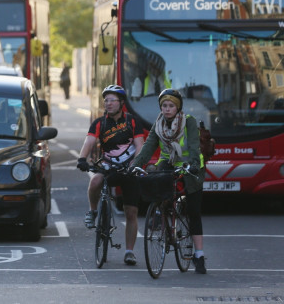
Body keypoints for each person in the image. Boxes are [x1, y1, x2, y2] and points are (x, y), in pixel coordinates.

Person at [129, 88, 207, 274]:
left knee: (194, 211)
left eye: (171, 105)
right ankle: (161, 214)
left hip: (191, 166)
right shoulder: (159, 123)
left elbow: (195, 147)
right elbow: (148, 147)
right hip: (169, 162)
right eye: (164, 105)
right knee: (155, 180)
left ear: (178, 107)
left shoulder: (188, 122)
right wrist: (136, 164)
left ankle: (199, 255)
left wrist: (194, 164)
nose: (167, 109)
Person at [76, 85, 145, 266]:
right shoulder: (99, 123)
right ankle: (93, 211)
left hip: (129, 168)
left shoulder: (132, 121)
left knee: (131, 212)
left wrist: (135, 164)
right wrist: (82, 158)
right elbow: (89, 141)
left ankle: (129, 252)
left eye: (112, 100)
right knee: (96, 180)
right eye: (105, 100)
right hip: (108, 166)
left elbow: (140, 145)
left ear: (121, 103)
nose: (108, 103)